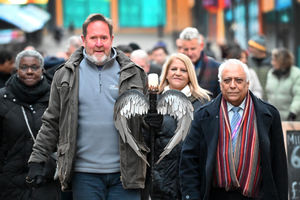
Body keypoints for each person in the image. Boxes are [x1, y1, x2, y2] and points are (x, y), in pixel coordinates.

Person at [27, 13, 148, 200]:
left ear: (112, 39)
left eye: (104, 38)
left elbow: (145, 122)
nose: (99, 43)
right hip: (84, 174)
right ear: (84, 40)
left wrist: (154, 121)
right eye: (93, 38)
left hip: (126, 173)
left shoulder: (134, 74)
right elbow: (52, 121)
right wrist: (37, 159)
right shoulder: (65, 75)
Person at [180, 59, 288, 200]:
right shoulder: (204, 115)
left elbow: (279, 166)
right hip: (215, 195)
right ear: (220, 84)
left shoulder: (268, 115)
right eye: (227, 80)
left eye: (238, 80)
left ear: (248, 83)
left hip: (256, 196)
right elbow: (189, 160)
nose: (232, 85)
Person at [143, 53, 211, 200]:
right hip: (159, 181)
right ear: (166, 72)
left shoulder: (202, 102)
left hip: (191, 179)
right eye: (173, 69)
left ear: (190, 75)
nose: (178, 73)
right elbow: (144, 143)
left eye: (183, 70)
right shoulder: (153, 100)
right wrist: (147, 126)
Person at [0, 50, 60, 199]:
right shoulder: (3, 99)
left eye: (34, 67)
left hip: (46, 179)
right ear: (16, 69)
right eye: (24, 67)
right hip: (9, 183)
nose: (29, 71)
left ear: (42, 69)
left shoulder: (56, 97)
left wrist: (52, 166)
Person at [179, 27, 220, 98]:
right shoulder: (177, 68)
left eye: (193, 48)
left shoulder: (215, 67)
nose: (189, 53)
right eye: (186, 49)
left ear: (201, 46)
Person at [265, 48, 300, 121]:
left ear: (282, 61)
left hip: (291, 119)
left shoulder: (296, 74)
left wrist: (293, 112)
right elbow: (268, 94)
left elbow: (298, 96)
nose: (272, 63)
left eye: (274, 60)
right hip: (273, 118)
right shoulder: (270, 73)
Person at [247, 35, 272, 99]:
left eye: (252, 47)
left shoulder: (272, 62)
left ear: (259, 48)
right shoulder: (248, 61)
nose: (249, 49)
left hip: (268, 100)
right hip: (254, 99)